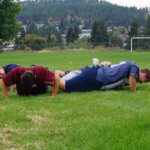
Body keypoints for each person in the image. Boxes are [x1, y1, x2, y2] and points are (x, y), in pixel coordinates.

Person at [54, 61, 150, 93]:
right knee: (67, 87)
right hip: (96, 78)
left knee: (69, 78)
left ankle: (60, 74)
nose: (140, 82)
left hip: (95, 73)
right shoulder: (134, 67)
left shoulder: (128, 64)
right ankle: (46, 80)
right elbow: (132, 77)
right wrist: (134, 91)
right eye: (143, 81)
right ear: (144, 74)